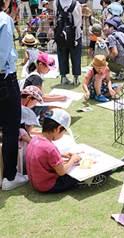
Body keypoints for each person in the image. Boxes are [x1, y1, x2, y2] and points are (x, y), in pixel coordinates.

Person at [25, 109, 108, 193]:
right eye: (63, 131)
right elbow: (62, 172)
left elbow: (43, 155)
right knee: (77, 173)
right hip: (49, 186)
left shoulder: (34, 139)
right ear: (58, 129)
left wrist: (61, 154)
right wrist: (73, 160)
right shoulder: (50, 148)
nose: (63, 134)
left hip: (35, 183)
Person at [0, 0, 28, 190]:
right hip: (4, 79)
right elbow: (3, 54)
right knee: (11, 128)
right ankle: (9, 176)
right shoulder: (4, 19)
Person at [53, 0, 82, 85]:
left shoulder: (56, 2)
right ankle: (76, 79)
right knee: (76, 56)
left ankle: (63, 77)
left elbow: (56, 17)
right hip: (74, 35)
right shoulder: (76, 4)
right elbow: (78, 22)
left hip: (60, 34)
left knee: (62, 56)